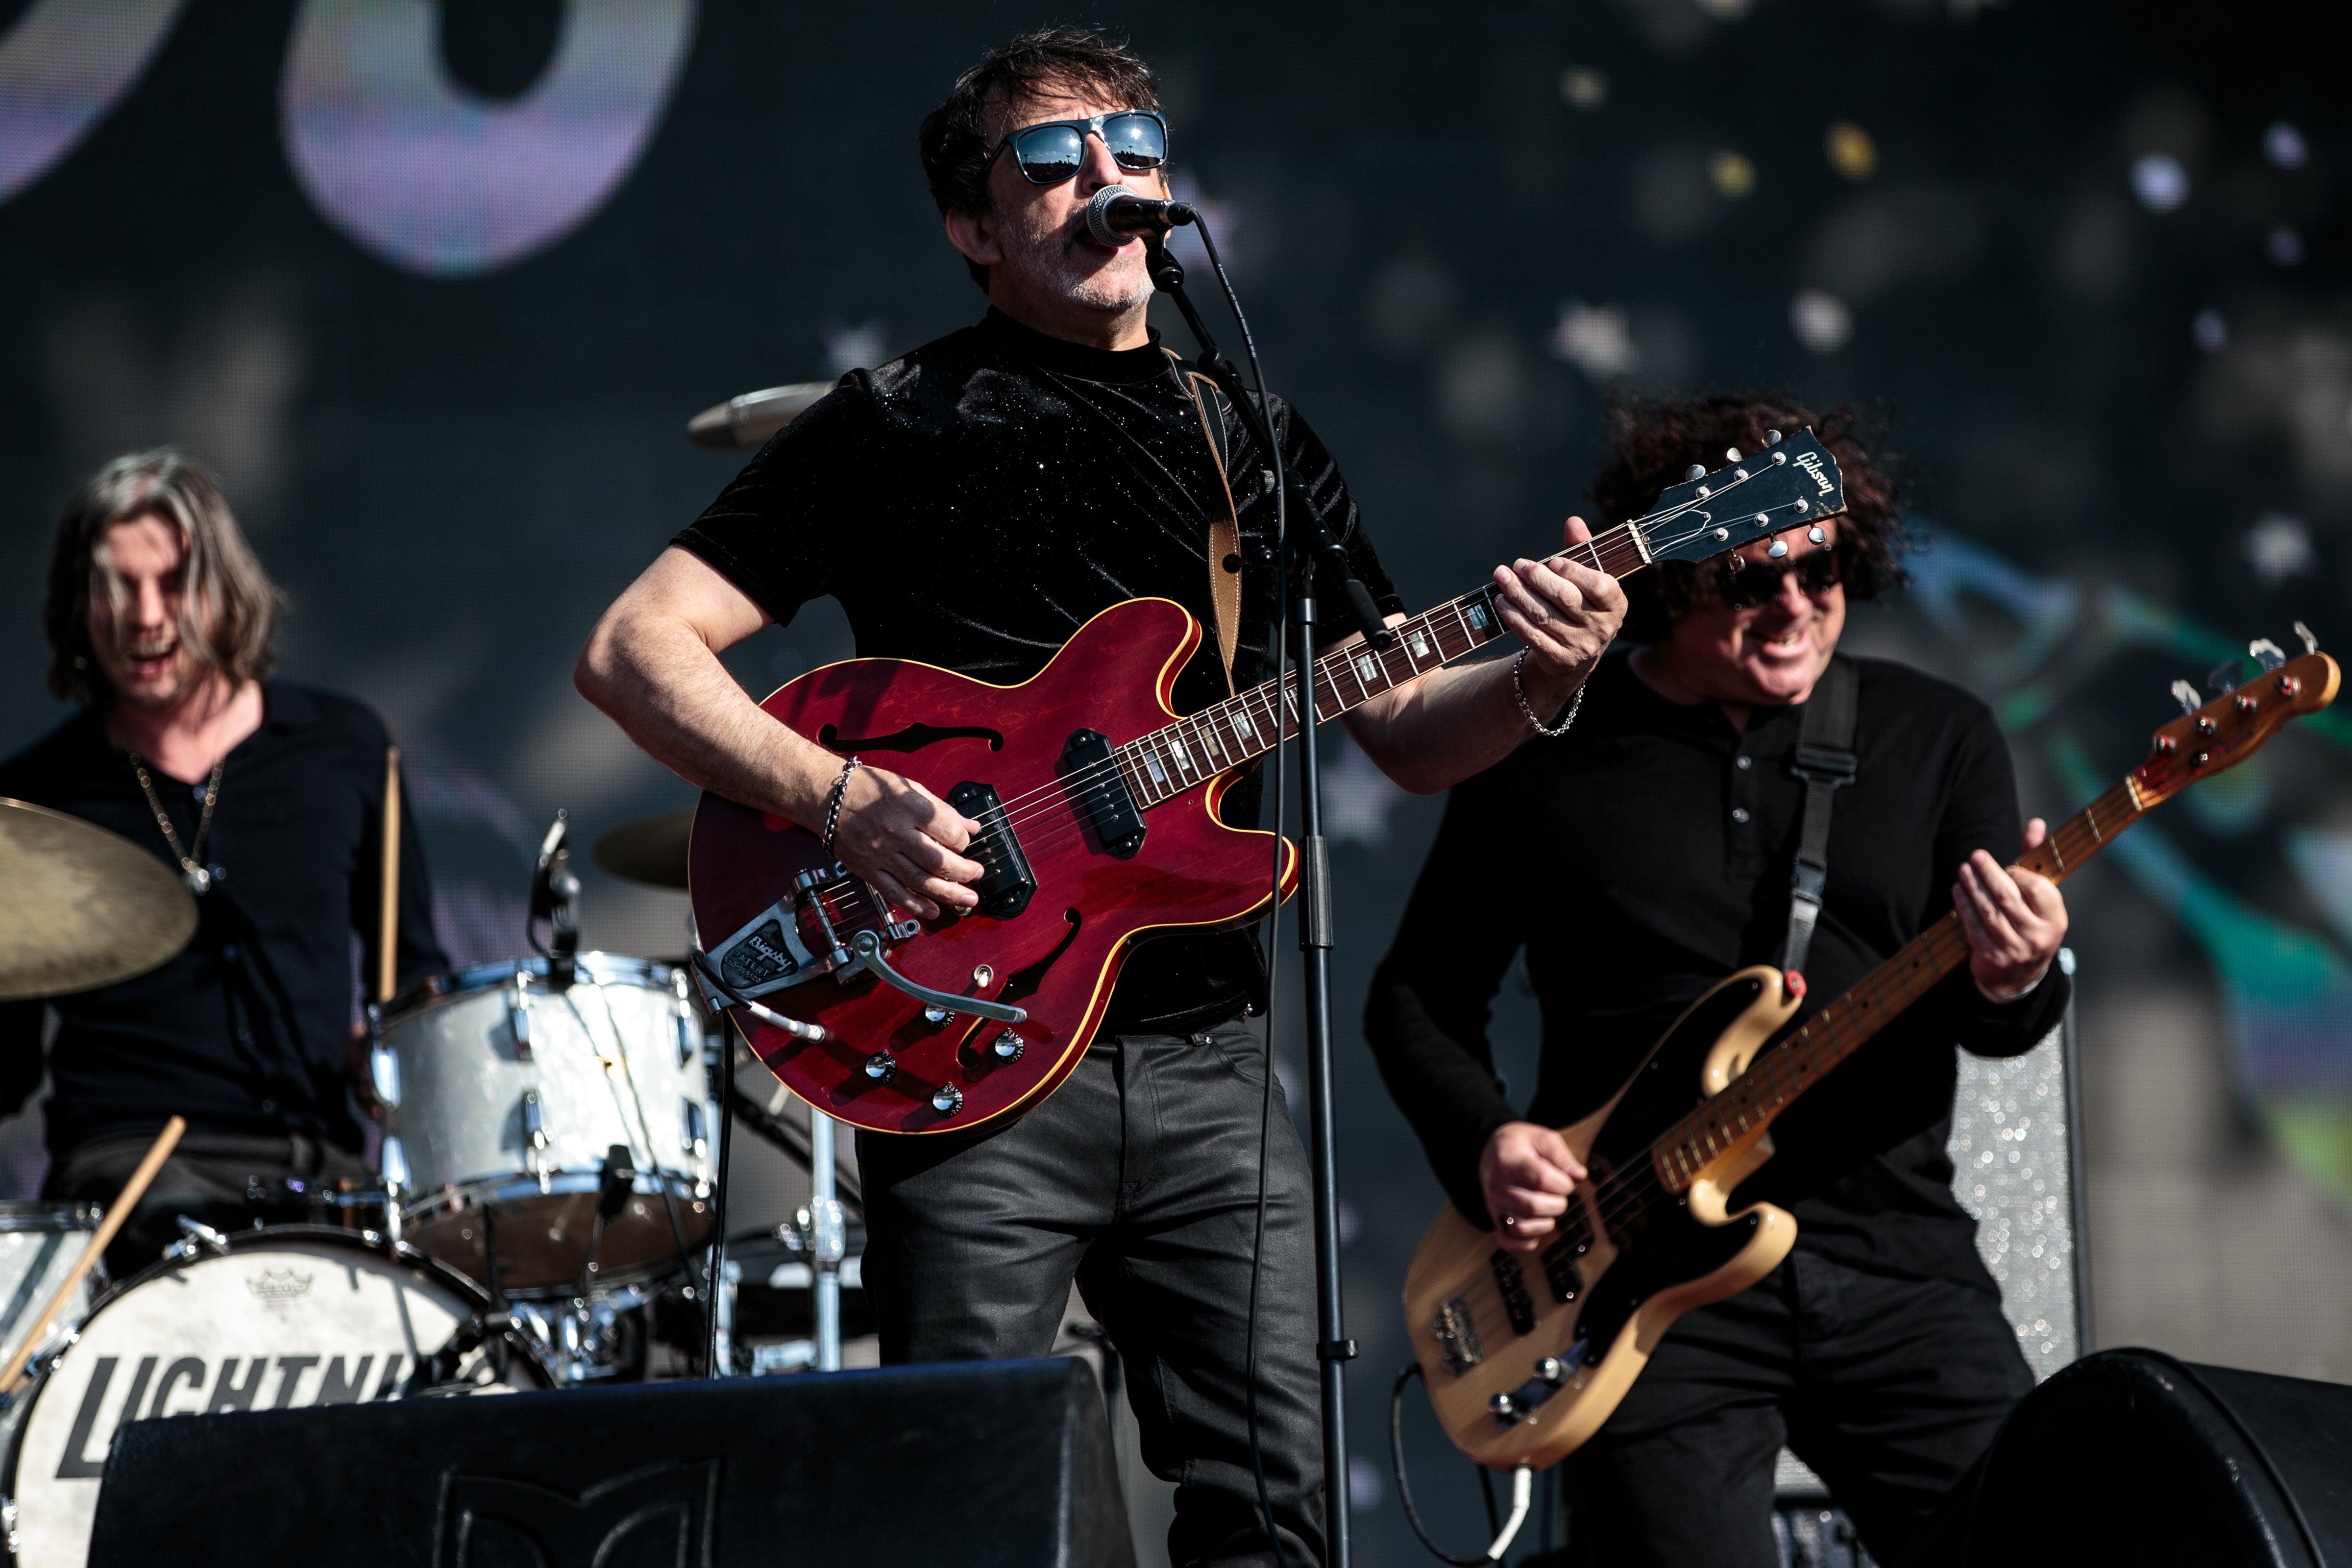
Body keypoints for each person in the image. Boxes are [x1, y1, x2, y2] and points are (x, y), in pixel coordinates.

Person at [573, 27, 1626, 1566]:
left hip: (1210, 1053)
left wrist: (1546, 676)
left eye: (1135, 149)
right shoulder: (897, 420)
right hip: (975, 1043)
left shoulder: (1249, 432)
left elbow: (1400, 721)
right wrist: (843, 797)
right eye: (1056, 162)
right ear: (972, 228)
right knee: (986, 1509)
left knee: (1277, 1506)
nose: (1111, 184)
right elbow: (632, 648)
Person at [1364, 396, 2071, 1568]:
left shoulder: (1940, 736)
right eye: (1750, 581)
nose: (1794, 604)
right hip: (1636, 1293)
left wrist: (2018, 974)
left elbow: (2002, 1023)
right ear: (1672, 583)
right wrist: (1488, 1141)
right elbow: (1416, 997)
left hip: (1895, 1261)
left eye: (1823, 565)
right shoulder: (1540, 741)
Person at [0, 450, 443, 1273]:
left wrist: (397, 1042)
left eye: (170, 582)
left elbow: (414, 972)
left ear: (224, 587)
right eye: (114, 585)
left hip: (319, 1169)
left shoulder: (345, 748)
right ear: (77, 602)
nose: (144, 615)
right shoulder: (31, 801)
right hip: (128, 1176)